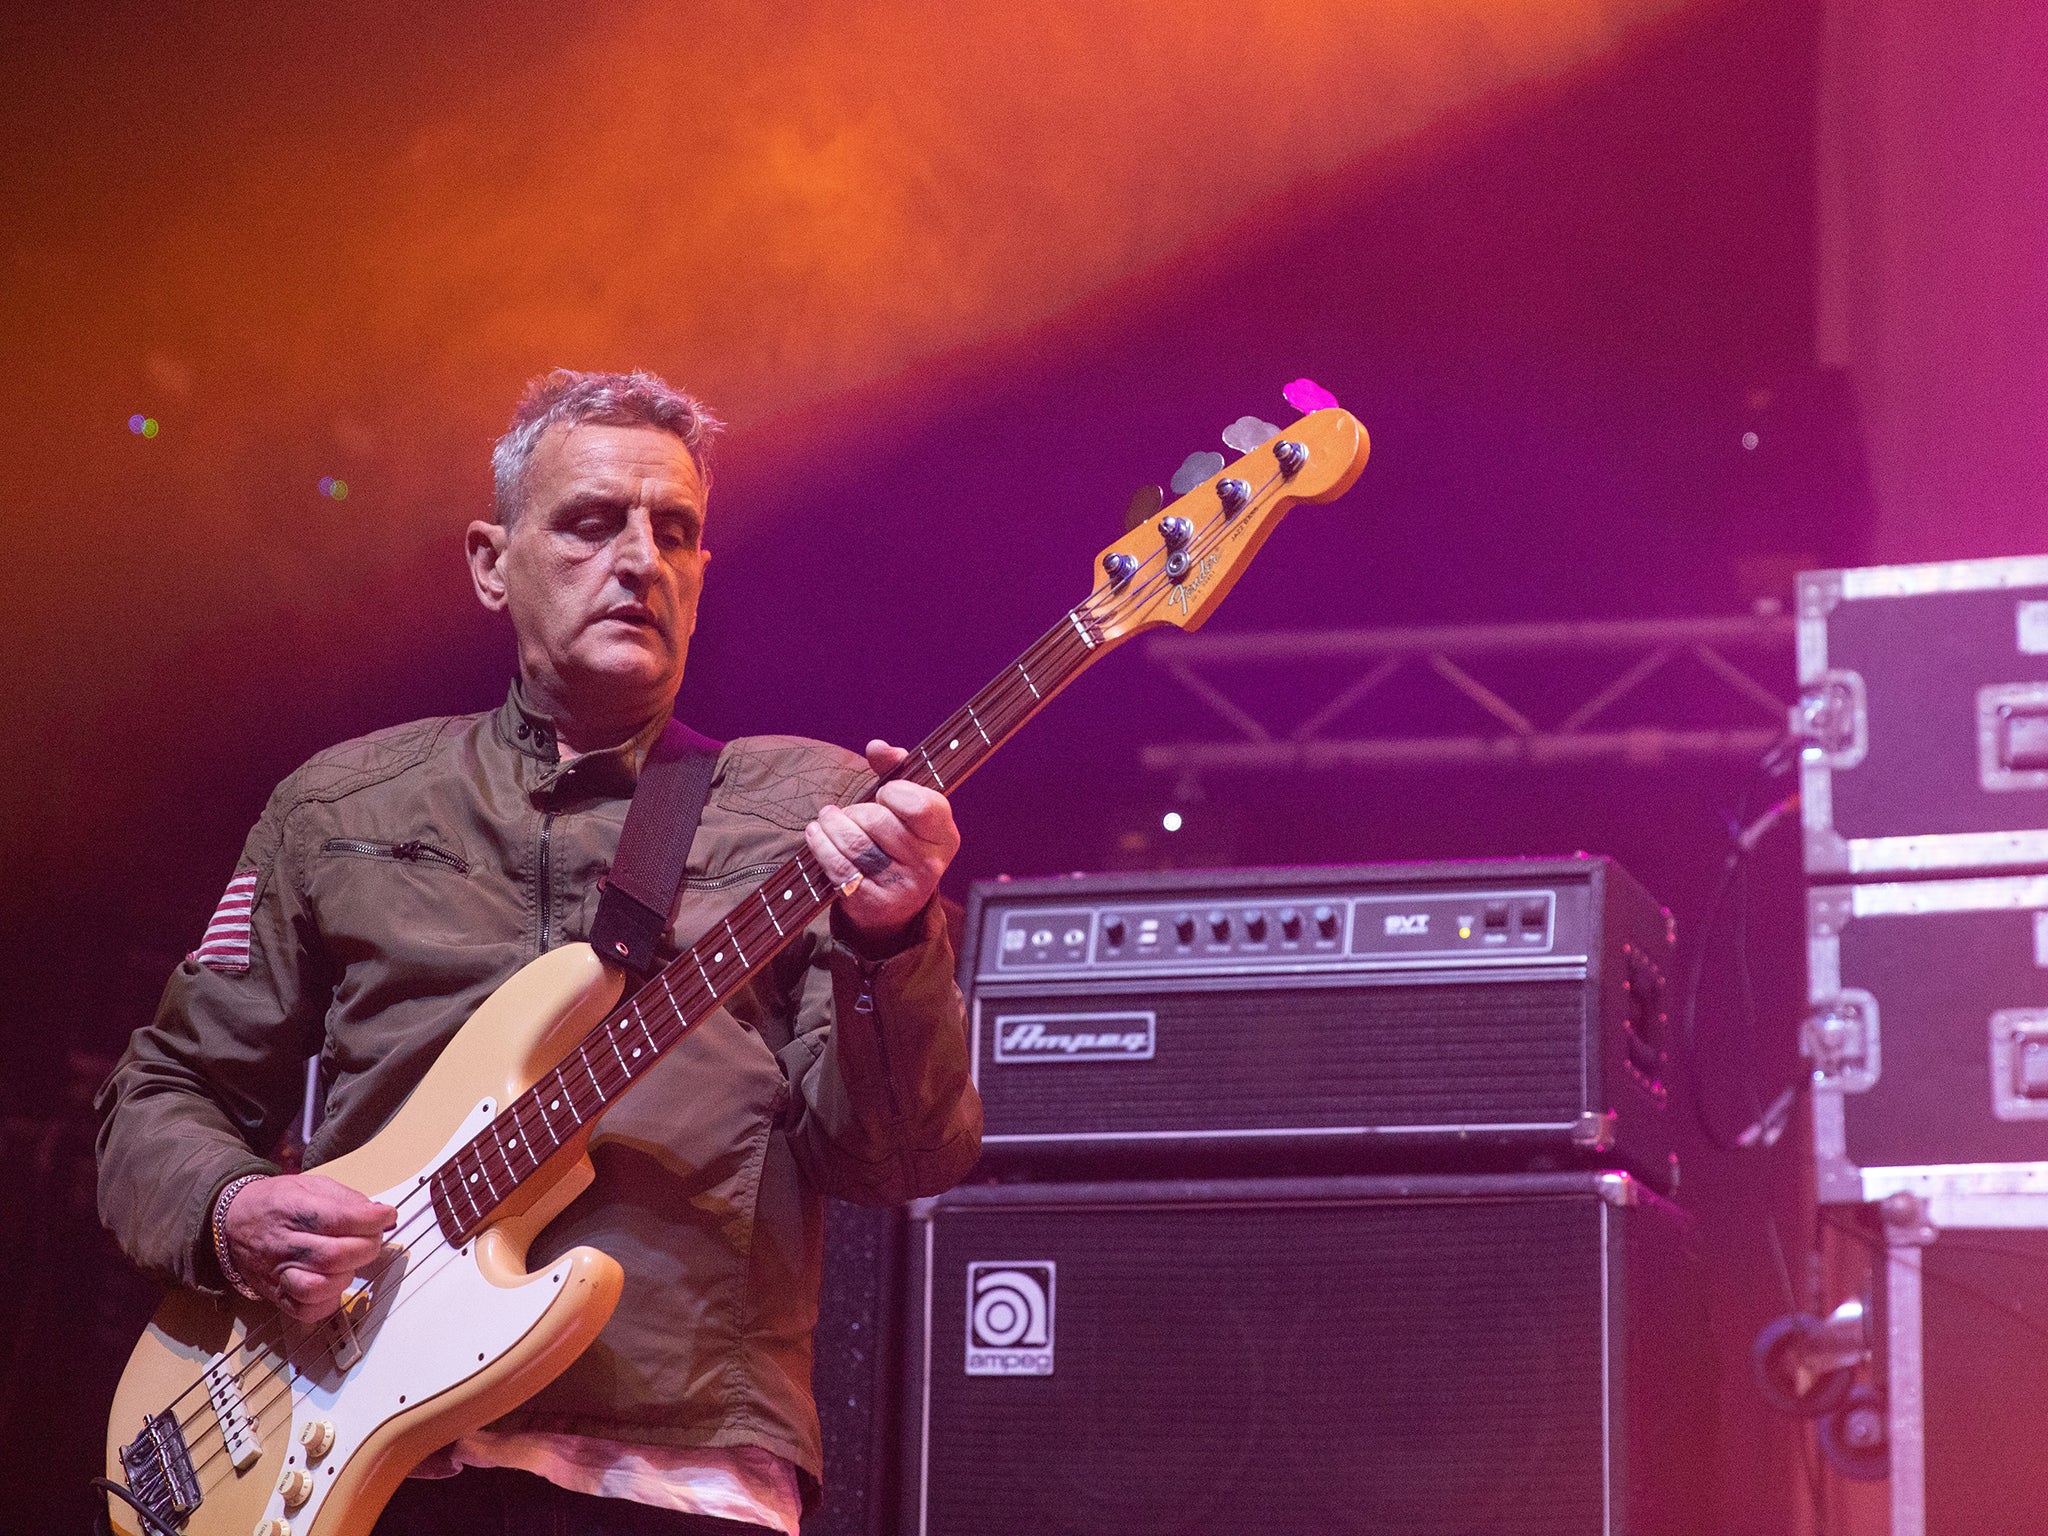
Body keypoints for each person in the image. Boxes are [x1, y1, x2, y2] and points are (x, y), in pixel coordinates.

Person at [94, 369, 984, 1536]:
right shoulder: (341, 801)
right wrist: (229, 1208)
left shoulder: (805, 812)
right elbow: (162, 1093)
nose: (639, 559)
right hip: (356, 1450)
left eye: (675, 532)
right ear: (488, 561)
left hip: (675, 1470)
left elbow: (897, 1159)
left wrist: (890, 939)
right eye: (589, 521)